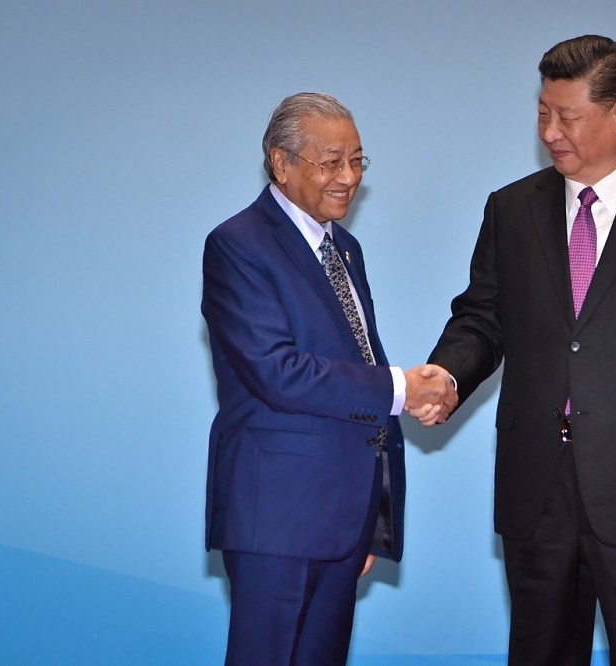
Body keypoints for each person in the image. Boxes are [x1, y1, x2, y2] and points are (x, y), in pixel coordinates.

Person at [423, 36, 616, 665]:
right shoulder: (511, 209)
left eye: (568, 116)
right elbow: (483, 318)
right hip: (536, 486)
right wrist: (447, 375)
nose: (551, 131)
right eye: (543, 112)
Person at [201, 92, 456, 665]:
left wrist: (373, 518)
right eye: (332, 162)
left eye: (359, 160)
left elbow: (355, 358)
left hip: (344, 520)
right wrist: (401, 388)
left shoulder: (346, 249)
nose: (349, 177)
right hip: (278, 518)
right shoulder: (237, 245)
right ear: (281, 162)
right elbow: (278, 373)